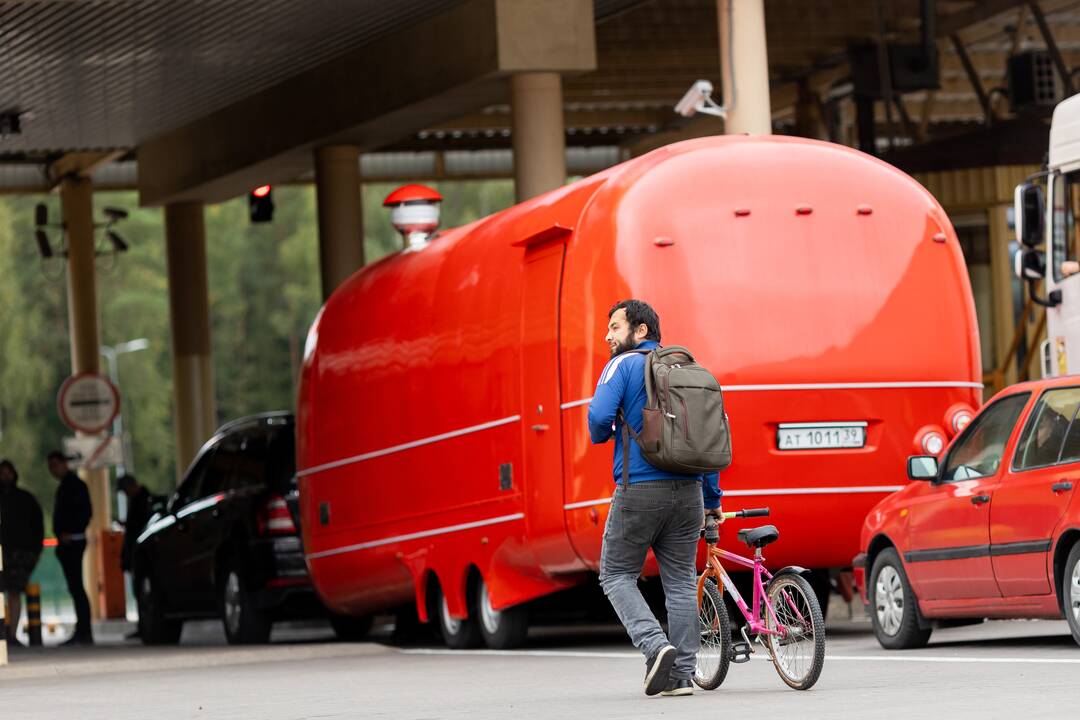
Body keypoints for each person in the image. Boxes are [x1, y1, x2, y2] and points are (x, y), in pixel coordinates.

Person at [588, 299, 722, 697]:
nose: (607, 336)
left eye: (614, 327)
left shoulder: (622, 365)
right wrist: (712, 497)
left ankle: (654, 645)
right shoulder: (690, 371)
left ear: (640, 330)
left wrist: (609, 431)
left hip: (640, 490)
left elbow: (598, 420)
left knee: (615, 575)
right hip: (689, 492)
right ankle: (681, 675)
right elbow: (706, 442)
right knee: (680, 581)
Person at [48, 450, 93, 645]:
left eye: (55, 465)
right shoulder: (65, 486)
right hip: (66, 542)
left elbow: (85, 513)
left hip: (74, 541)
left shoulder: (75, 486)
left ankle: (84, 631)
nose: (53, 470)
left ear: (64, 464)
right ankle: (82, 631)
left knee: (77, 588)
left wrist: (70, 531)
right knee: (75, 588)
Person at [0, 459, 45, 647]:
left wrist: (33, 552)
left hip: (20, 554)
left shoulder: (25, 499)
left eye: (7, 472)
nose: (5, 476)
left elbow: (37, 527)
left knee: (14, 592)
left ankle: (10, 634)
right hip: (4, 552)